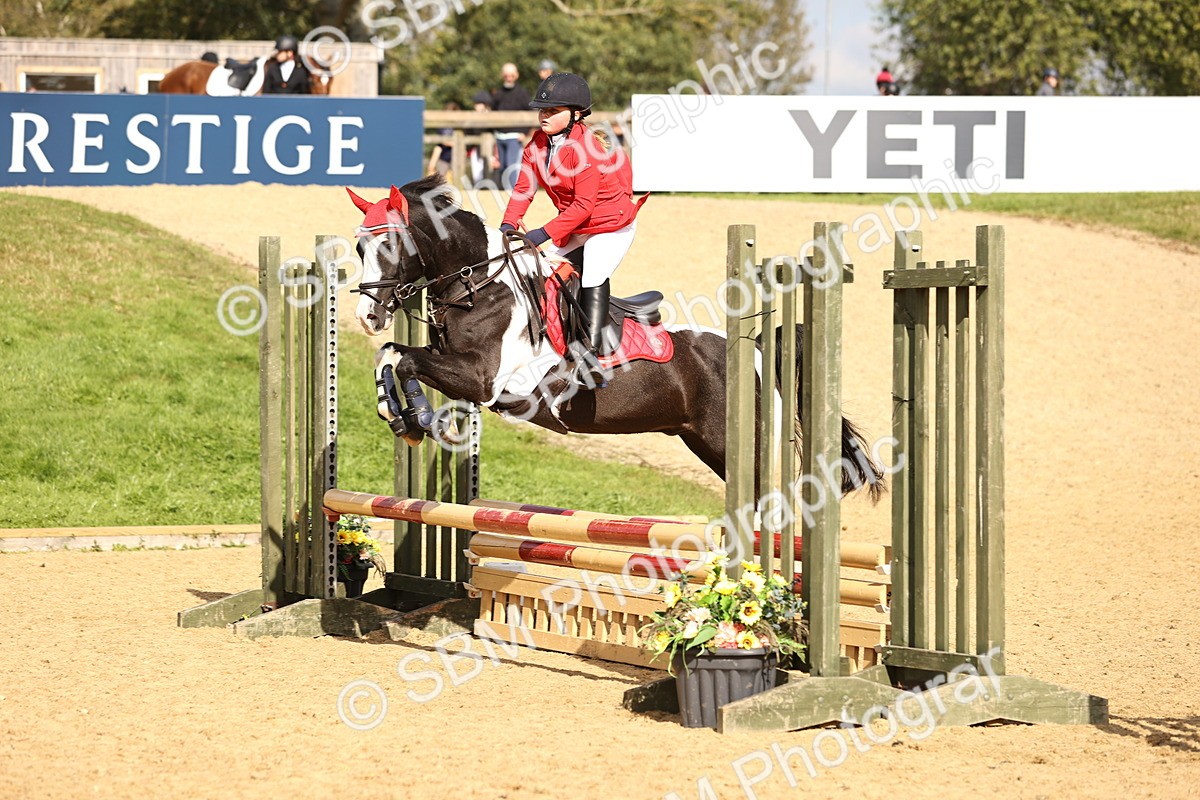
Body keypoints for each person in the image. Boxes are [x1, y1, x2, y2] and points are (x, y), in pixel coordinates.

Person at [499, 72, 646, 387]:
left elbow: (584, 206)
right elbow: (523, 190)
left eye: (552, 111)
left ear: (576, 114)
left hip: (610, 224)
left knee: (593, 272)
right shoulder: (537, 144)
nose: (544, 116)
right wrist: (508, 225)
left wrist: (540, 234)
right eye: (542, 110)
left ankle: (591, 358)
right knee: (535, 267)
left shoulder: (588, 147)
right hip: (577, 223)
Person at [490, 63, 532, 188]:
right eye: (506, 75)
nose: (509, 78)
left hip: (515, 135)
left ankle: (513, 192)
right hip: (500, 135)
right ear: (502, 76)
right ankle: (504, 191)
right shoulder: (498, 94)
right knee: (502, 165)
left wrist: (524, 132)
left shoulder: (522, 93)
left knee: (511, 165)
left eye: (512, 75)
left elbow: (530, 114)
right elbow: (492, 113)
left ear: (516, 75)